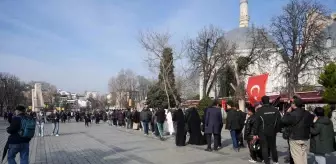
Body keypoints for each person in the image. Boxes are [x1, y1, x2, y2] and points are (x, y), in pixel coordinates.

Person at [282, 97, 314, 164]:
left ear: (294, 104)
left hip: (295, 137)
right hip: (305, 136)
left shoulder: (292, 114)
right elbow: (312, 121)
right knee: (303, 155)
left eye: (292, 103)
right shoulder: (307, 113)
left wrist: (287, 112)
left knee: (297, 157)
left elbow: (283, 121)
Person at [253, 96, 282, 164]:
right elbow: (279, 121)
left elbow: (256, 123)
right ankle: (275, 161)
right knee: (273, 146)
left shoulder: (259, 111)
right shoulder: (275, 110)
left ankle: (267, 162)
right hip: (272, 131)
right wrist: (277, 130)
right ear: (268, 101)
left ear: (262, 102)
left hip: (262, 132)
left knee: (264, 147)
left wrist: (255, 133)